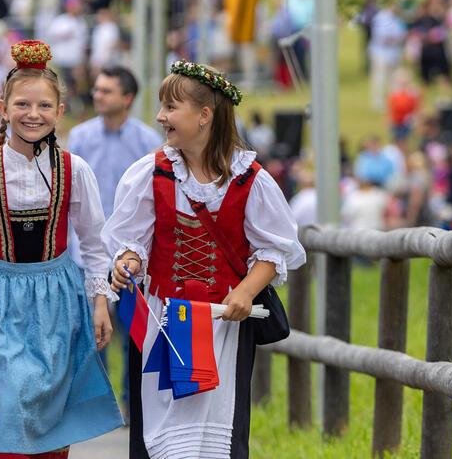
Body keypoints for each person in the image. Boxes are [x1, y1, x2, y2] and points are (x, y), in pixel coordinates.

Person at [104, 59, 305, 458]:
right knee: (161, 436)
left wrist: (246, 292)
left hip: (223, 326)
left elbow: (272, 249)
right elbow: (133, 241)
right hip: (164, 321)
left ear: (204, 116)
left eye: (170, 107)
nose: (160, 117)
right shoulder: (152, 173)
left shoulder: (250, 179)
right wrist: (125, 264)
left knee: (217, 437)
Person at [0, 40, 124, 457]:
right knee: (0, 407)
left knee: (46, 413)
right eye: (23, 105)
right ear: (4, 107)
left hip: (56, 299)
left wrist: (100, 302)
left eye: (44, 106)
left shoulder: (74, 169)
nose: (33, 114)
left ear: (60, 111)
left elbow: (95, 243)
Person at [67, 64, 162, 411]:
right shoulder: (79, 138)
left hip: (129, 254)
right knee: (93, 330)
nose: (98, 95)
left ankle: (131, 401)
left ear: (128, 98)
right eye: (97, 89)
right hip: (85, 251)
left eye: (106, 90)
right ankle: (102, 402)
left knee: (130, 330)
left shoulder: (147, 142)